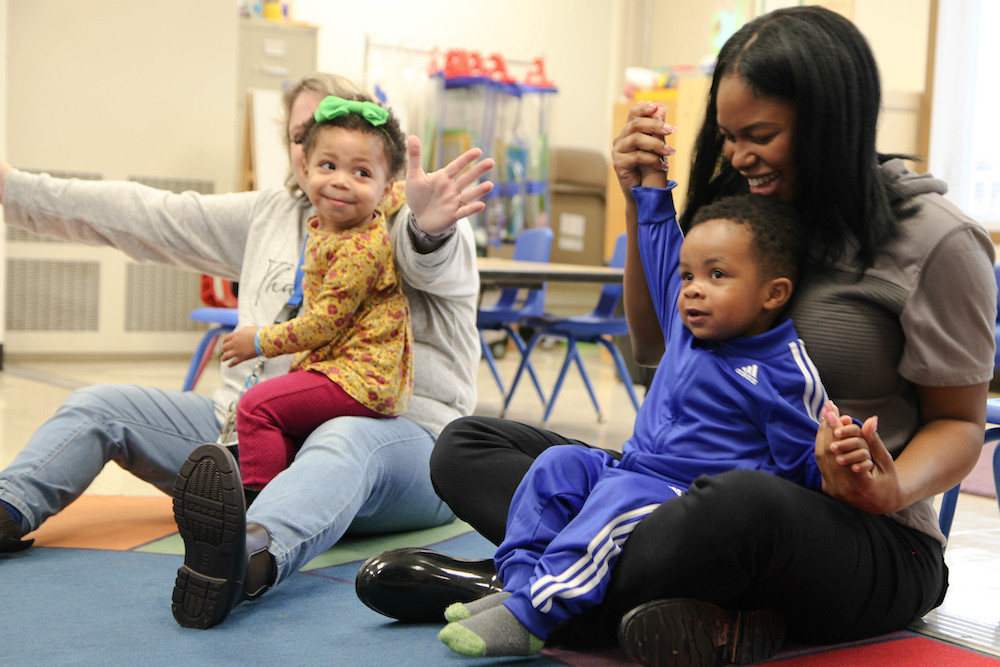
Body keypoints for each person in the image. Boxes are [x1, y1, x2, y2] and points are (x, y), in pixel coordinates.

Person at [358, 6, 996, 666]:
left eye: (761, 135)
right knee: (467, 443)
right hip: (676, 491)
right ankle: (638, 598)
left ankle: (520, 588)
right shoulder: (741, 217)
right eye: (727, 135)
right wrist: (640, 204)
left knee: (738, 508)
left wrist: (886, 489)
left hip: (855, 531)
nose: (738, 156)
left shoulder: (936, 238)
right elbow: (656, 351)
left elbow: (959, 424)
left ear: (831, 123)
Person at [0, 72, 495, 632]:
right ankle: (7, 507)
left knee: (340, 437)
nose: (334, 171)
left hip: (400, 440)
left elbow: (428, 253)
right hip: (261, 435)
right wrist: (12, 187)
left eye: (355, 158)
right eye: (304, 137)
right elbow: (148, 213)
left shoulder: (413, 211)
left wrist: (429, 230)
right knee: (100, 405)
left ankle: (246, 555)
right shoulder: (274, 212)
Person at [437, 188, 845, 658]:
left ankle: (535, 617)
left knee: (619, 497)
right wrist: (649, 189)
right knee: (559, 463)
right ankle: (520, 586)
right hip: (631, 466)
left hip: (685, 497)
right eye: (689, 275)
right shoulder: (687, 323)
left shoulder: (782, 370)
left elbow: (803, 470)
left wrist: (837, 459)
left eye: (717, 275)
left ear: (772, 293)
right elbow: (658, 244)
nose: (693, 287)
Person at [220, 94, 413, 497]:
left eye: (361, 173)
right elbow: (394, 192)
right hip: (347, 370)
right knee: (281, 422)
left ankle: (257, 518)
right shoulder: (344, 217)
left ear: (385, 187)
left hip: (360, 376)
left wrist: (257, 340)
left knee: (256, 407)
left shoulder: (359, 248)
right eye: (329, 166)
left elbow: (323, 323)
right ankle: (277, 497)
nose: (341, 181)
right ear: (304, 168)